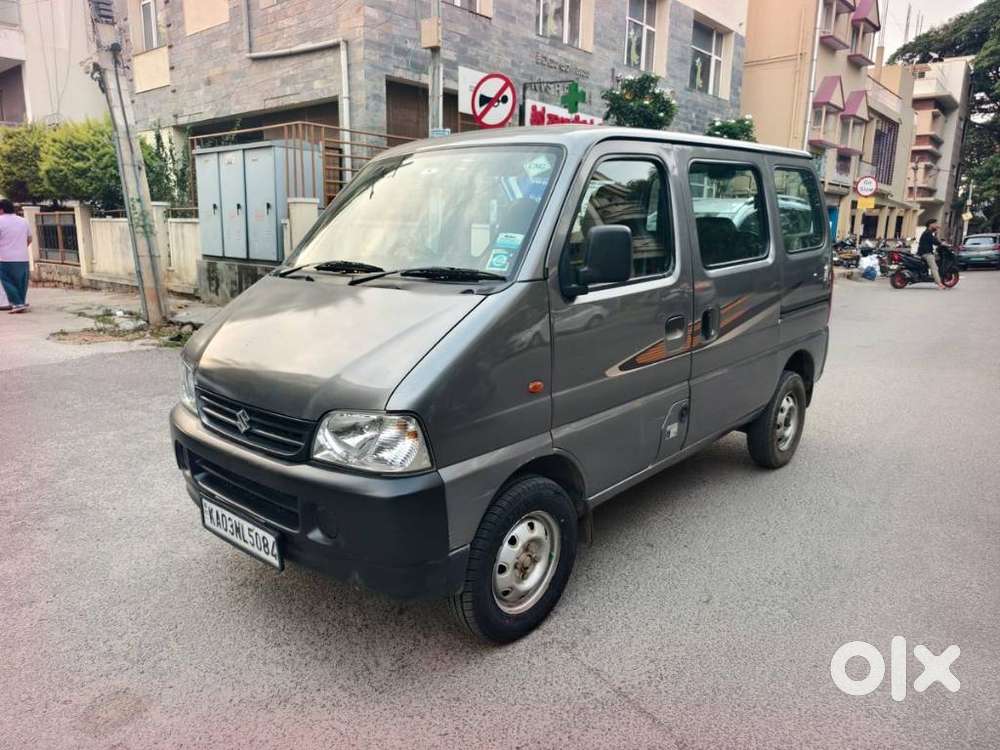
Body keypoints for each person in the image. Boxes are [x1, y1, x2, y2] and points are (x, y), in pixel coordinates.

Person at [0, 199, 33, 312]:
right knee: (21, 282)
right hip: (23, 257)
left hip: (5, 258)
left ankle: (18, 303)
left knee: (7, 282)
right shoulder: (23, 221)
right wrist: (20, 248)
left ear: (2, 209)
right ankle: (21, 302)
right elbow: (29, 239)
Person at [917, 218, 946, 290]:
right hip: (926, 253)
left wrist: (936, 230)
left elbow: (934, 239)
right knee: (934, 268)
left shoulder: (927, 232)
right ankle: (939, 283)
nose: (937, 225)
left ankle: (932, 278)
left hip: (923, 252)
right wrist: (942, 243)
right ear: (930, 225)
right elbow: (935, 241)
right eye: (935, 224)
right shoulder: (928, 233)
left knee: (936, 260)